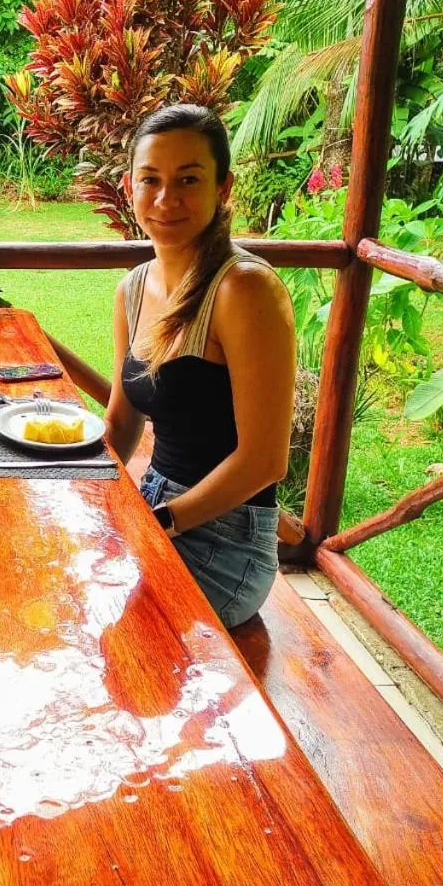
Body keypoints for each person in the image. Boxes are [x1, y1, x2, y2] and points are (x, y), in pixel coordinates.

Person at [105, 104, 295, 628]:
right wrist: (87, 490)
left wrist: (161, 522)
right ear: (130, 187)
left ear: (223, 187)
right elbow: (122, 424)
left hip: (227, 540)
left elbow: (264, 462)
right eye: (151, 180)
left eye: (188, 179)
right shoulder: (134, 289)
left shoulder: (244, 289)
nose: (166, 200)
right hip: (155, 505)